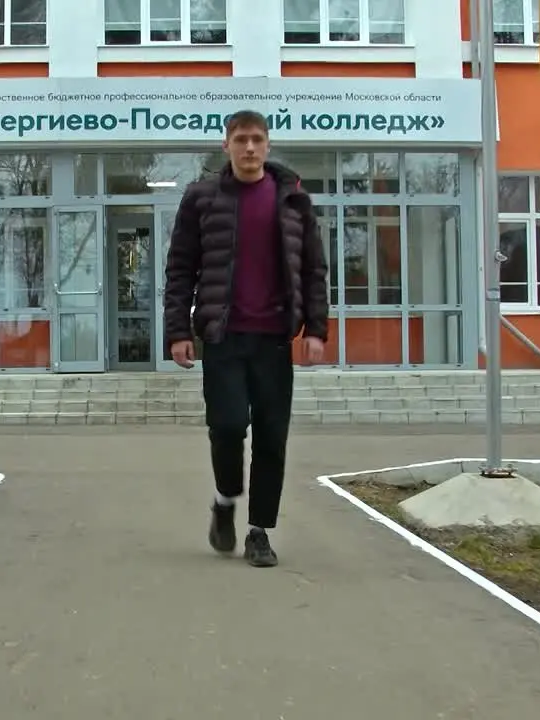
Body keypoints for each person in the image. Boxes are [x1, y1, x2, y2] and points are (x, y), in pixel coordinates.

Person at [162, 109, 330, 568]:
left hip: (274, 339)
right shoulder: (202, 198)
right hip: (224, 336)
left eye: (257, 139)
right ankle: (224, 500)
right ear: (227, 146)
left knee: (272, 437)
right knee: (229, 426)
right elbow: (180, 269)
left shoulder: (292, 198)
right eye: (241, 139)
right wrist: (178, 330)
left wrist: (316, 329)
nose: (250, 147)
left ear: (268, 145)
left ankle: (259, 532)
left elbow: (313, 269)